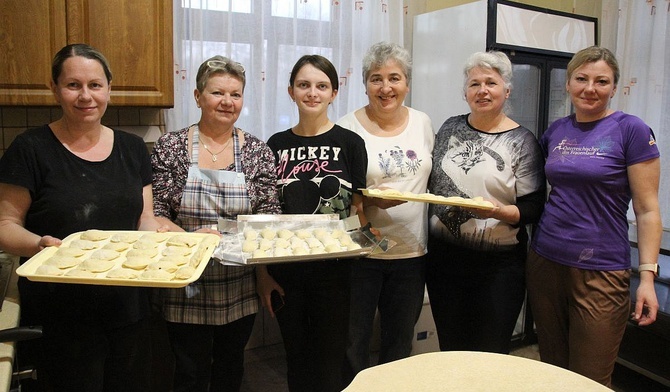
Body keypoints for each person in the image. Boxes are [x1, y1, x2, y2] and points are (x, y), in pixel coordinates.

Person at [0, 43, 166, 391]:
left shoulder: (133, 148)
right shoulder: (30, 148)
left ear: (109, 88)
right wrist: (39, 244)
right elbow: (4, 226)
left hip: (128, 307)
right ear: (54, 89)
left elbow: (145, 218)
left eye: (95, 85)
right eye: (73, 85)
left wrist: (163, 244)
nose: (85, 96)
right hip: (61, 312)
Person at [527, 46, 661, 387]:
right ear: (568, 84)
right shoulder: (556, 131)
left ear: (614, 87)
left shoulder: (632, 130)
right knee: (551, 370)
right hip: (546, 261)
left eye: (602, 81)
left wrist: (647, 277)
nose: (591, 88)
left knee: (590, 378)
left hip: (601, 268)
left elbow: (647, 211)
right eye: (582, 79)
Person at [151, 55, 281, 391]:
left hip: (239, 281)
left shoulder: (256, 151)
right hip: (185, 280)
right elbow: (155, 214)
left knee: (230, 364)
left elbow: (268, 217)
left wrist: (264, 276)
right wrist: (195, 239)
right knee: (189, 371)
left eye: (235, 94)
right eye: (217, 93)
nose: (227, 102)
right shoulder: (172, 147)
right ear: (198, 96)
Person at [257, 54, 369, 392]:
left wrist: (364, 245)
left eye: (322, 86)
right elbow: (266, 216)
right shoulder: (276, 145)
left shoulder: (350, 144)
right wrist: (262, 275)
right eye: (304, 85)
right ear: (291, 91)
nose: (312, 93)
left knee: (330, 361)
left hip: (335, 273)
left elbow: (358, 211)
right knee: (296, 358)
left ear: (334, 92)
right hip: (286, 273)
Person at [426, 51, 545, 354]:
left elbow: (534, 207)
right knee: (451, 350)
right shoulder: (450, 127)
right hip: (444, 264)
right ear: (464, 92)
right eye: (474, 83)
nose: (482, 90)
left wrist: (499, 211)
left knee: (489, 353)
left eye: (491, 82)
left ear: (507, 90)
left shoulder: (522, 141)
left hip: (498, 270)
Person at [336, 42, 434, 380]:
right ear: (365, 84)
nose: (386, 88)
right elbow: (340, 200)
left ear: (407, 83)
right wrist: (371, 209)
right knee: (353, 342)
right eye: (376, 79)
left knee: (399, 343)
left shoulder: (422, 123)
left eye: (395, 78)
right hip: (362, 253)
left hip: (411, 254)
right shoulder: (347, 128)